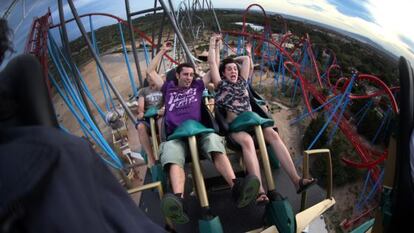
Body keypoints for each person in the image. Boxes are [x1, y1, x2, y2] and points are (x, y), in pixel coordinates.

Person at [0, 18, 166, 233]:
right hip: (148, 120)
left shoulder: (55, 154)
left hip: (166, 117)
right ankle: (154, 162)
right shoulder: (58, 154)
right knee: (144, 127)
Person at [148, 56, 260, 224]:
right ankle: (179, 200)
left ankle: (236, 186)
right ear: (177, 76)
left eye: (191, 75)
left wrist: (214, 45)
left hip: (199, 132)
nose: (189, 78)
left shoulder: (198, 86)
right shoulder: (168, 88)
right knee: (171, 153)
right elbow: (150, 71)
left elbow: (212, 65)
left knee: (214, 142)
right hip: (176, 136)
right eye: (185, 74)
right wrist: (162, 51)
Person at [208, 34, 317, 205]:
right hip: (237, 127)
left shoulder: (243, 82)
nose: (234, 71)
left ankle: (297, 180)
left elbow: (246, 61)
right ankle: (259, 191)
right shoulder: (221, 85)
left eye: (235, 69)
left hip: (254, 121)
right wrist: (213, 43)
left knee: (273, 135)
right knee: (248, 142)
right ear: (222, 73)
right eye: (229, 69)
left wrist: (246, 53)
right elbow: (213, 63)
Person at [136, 44, 169, 167]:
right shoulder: (144, 91)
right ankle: (150, 157)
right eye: (149, 78)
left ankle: (163, 149)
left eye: (153, 78)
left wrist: (164, 108)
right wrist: (140, 112)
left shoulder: (162, 88)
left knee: (161, 122)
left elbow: (167, 99)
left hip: (160, 114)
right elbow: (140, 105)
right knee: (140, 127)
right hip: (148, 117)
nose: (151, 80)